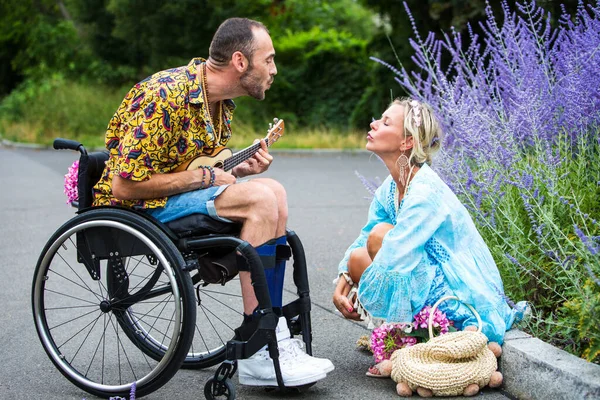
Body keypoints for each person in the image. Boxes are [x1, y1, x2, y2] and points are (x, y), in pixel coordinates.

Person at [92, 17, 332, 387]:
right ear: (240, 61)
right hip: (138, 209)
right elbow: (125, 186)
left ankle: (273, 331)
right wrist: (205, 178)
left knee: (274, 192)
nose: (274, 69)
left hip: (177, 199)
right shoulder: (166, 96)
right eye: (268, 60)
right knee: (260, 199)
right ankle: (258, 350)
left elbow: (205, 171)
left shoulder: (220, 104)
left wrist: (237, 172)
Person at [332, 98, 524, 374]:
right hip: (424, 275)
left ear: (406, 142)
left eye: (385, 122)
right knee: (360, 255)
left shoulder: (424, 191)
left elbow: (397, 255)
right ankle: (413, 338)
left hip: (460, 289)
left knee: (382, 238)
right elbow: (364, 239)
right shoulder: (390, 187)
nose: (373, 123)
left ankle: (408, 342)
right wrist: (344, 280)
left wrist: (363, 295)